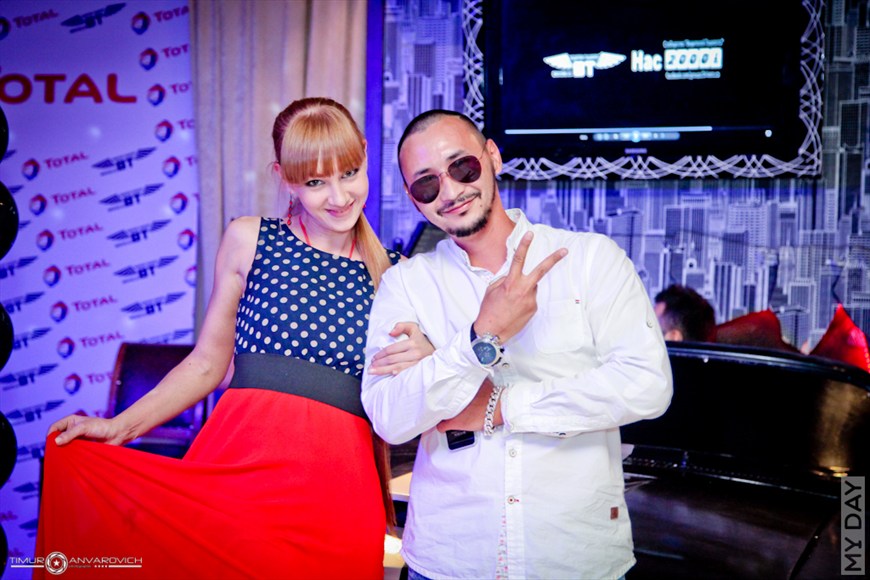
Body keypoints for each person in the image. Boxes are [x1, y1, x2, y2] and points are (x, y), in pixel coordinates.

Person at [37, 97, 433, 579]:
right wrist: (120, 428)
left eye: (349, 173)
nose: (338, 196)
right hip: (238, 482)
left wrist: (428, 356)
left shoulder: (396, 274)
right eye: (315, 182)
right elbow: (207, 364)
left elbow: (413, 398)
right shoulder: (250, 239)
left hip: (340, 500)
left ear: (366, 155)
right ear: (285, 177)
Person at [361, 110, 673, 579]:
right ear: (413, 198)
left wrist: (497, 406)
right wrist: (479, 340)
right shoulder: (406, 285)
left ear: (492, 156)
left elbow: (646, 385)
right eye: (426, 183)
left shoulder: (589, 260)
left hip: (574, 559)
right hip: (450, 561)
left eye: (461, 166)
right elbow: (390, 415)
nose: (450, 190)